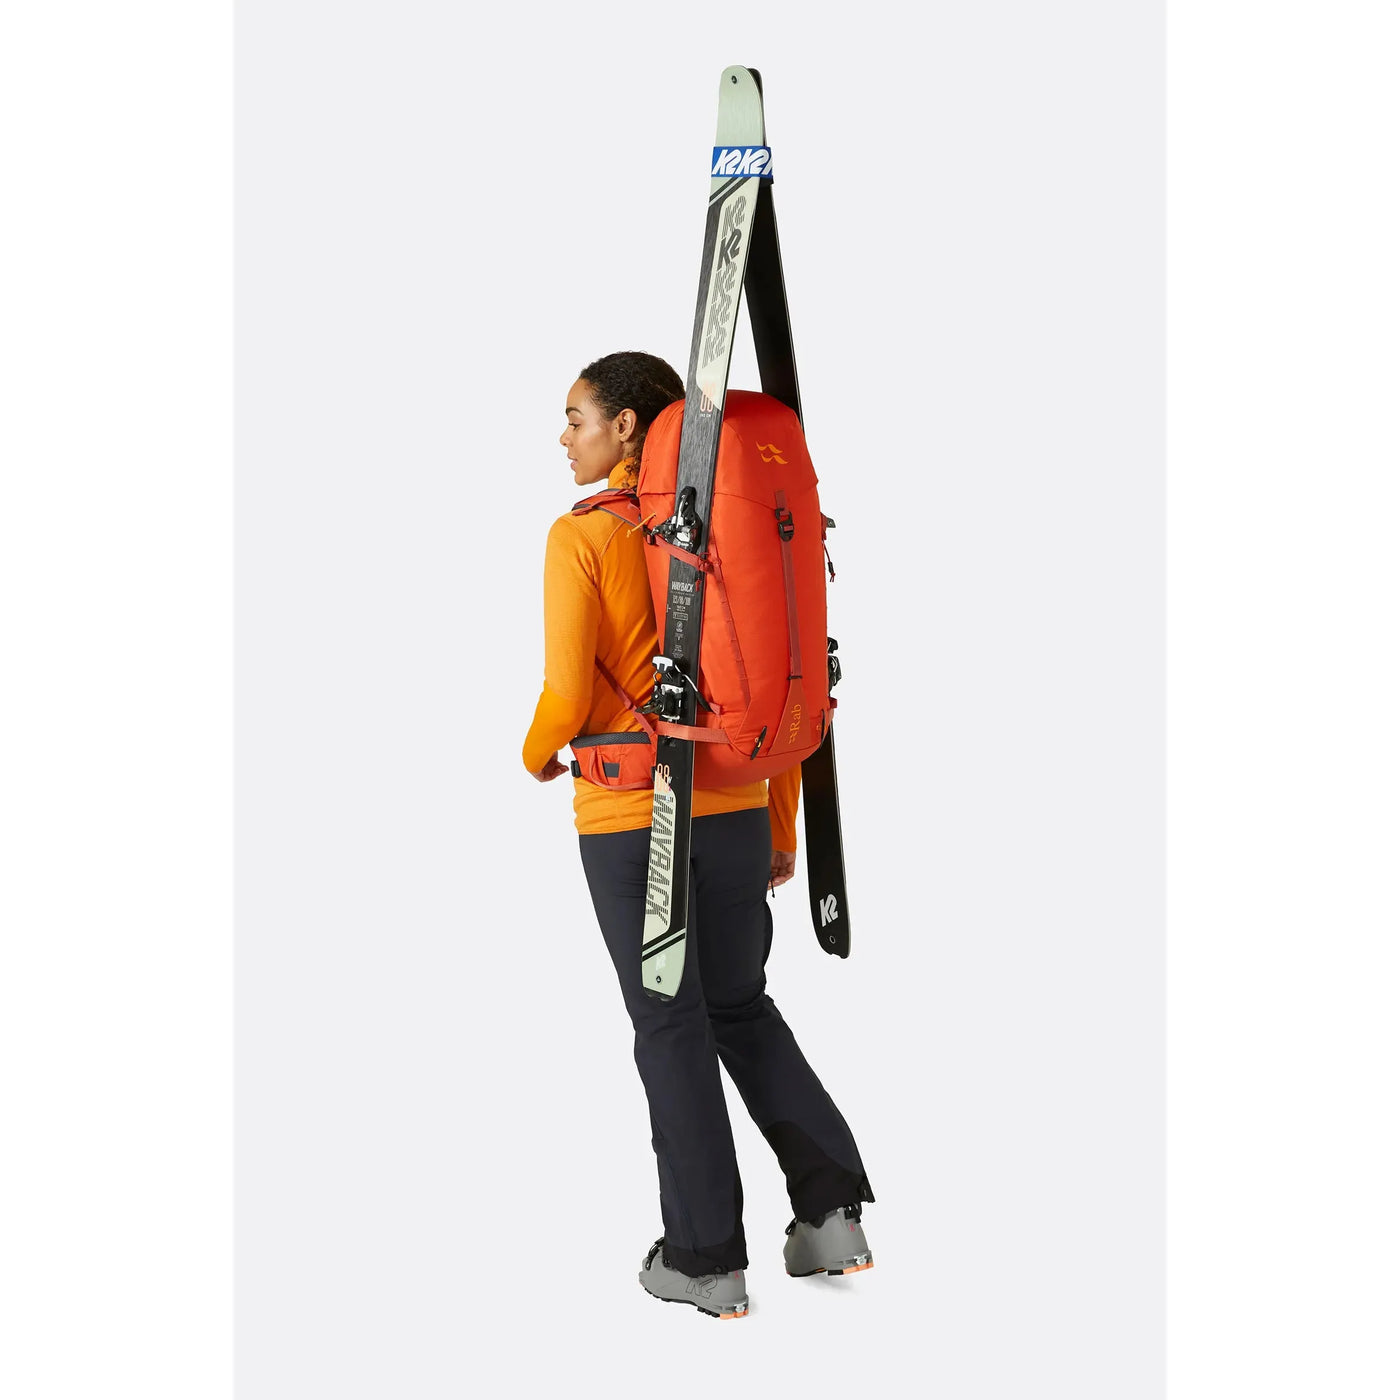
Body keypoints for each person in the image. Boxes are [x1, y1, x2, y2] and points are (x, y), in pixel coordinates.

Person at [522, 351, 874, 1319]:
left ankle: (703, 1256)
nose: (564, 437)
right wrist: (778, 820)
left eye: (577, 418)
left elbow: (565, 692)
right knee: (740, 1008)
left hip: (634, 818)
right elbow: (770, 678)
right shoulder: (726, 527)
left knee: (668, 1026)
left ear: (628, 427)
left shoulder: (581, 536)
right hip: (738, 805)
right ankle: (832, 1215)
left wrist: (534, 753)